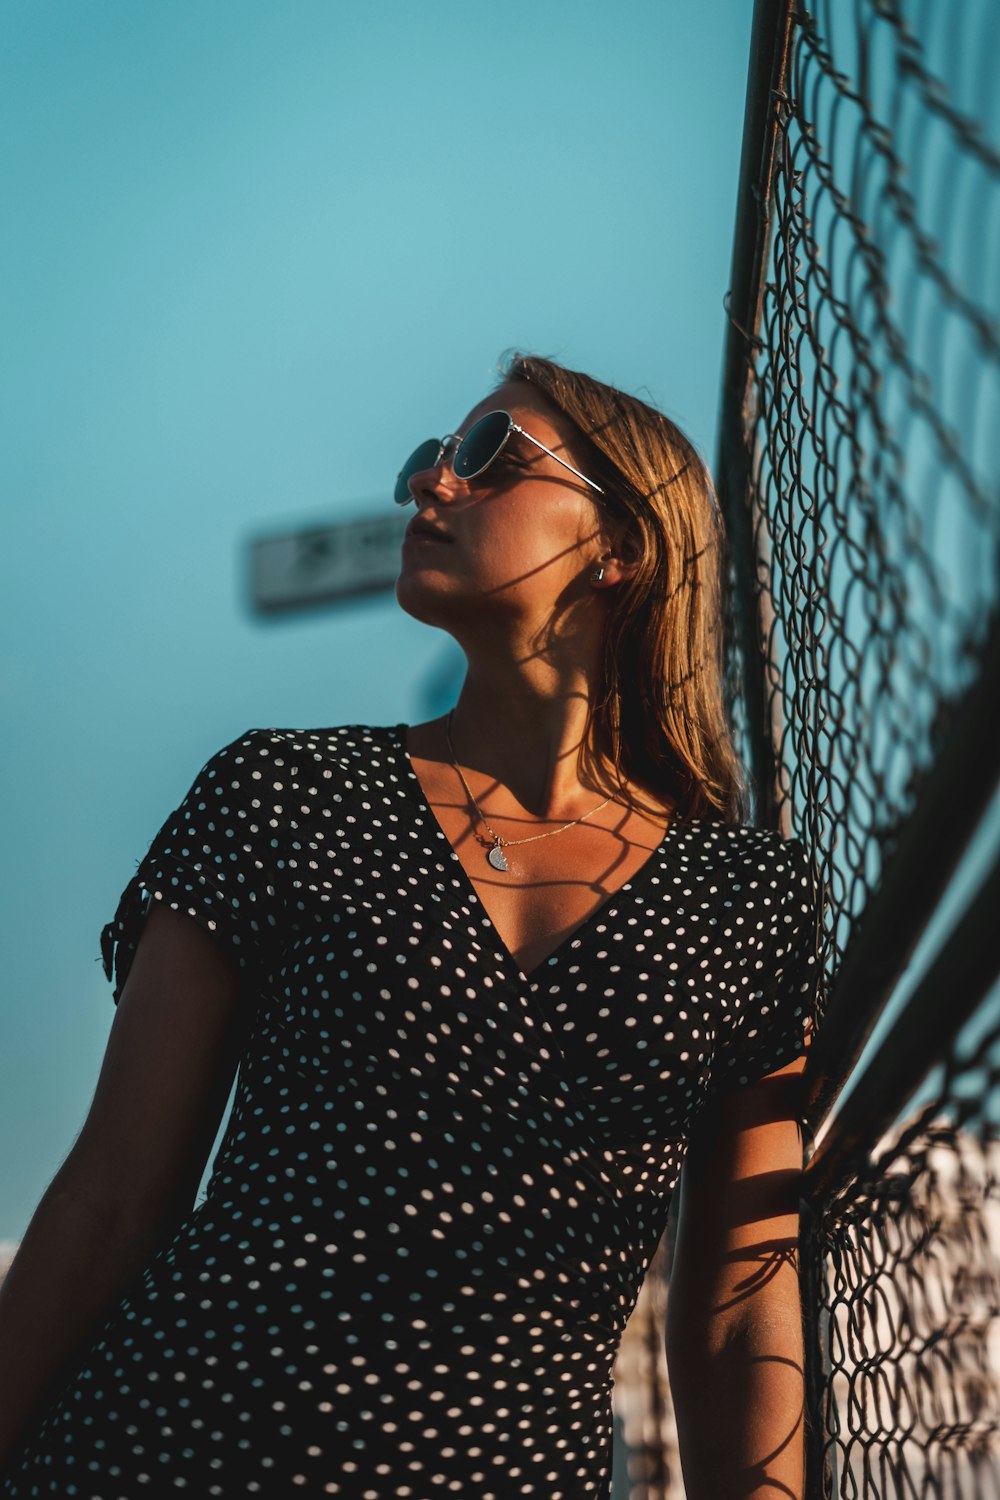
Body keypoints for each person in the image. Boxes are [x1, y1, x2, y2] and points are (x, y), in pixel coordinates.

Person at [0, 352, 825, 1498]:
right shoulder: (283, 794)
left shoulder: (746, 898)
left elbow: (741, 1304)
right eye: (429, 461)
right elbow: (112, 1197)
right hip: (164, 1453)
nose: (429, 487)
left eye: (488, 457)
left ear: (625, 545)